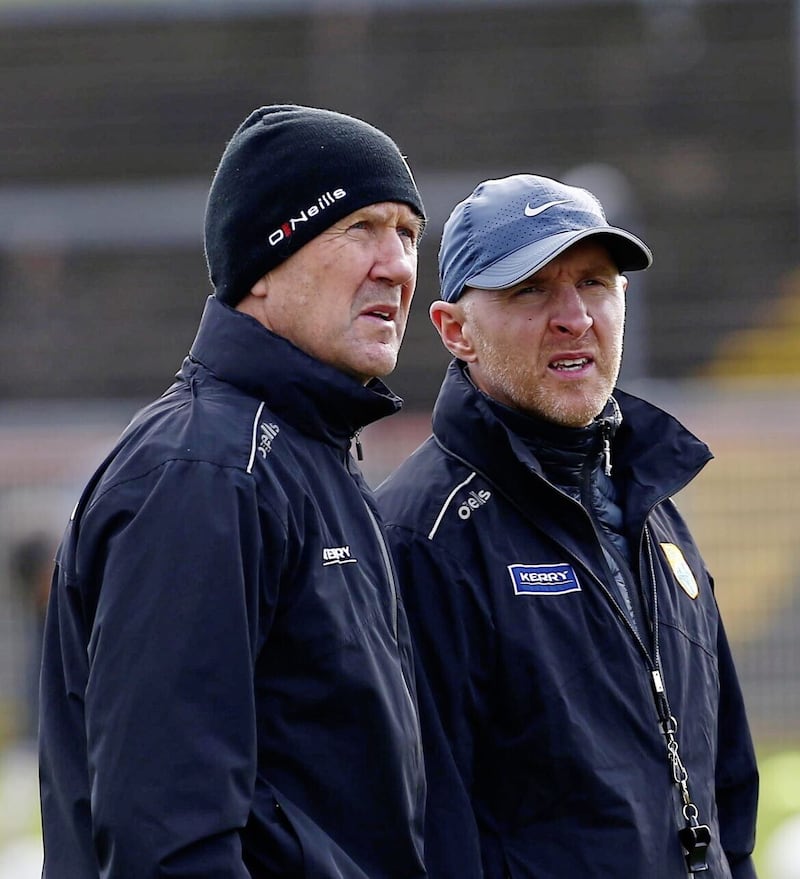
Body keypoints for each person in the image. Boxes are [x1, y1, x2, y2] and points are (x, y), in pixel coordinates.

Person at [38, 104, 427, 879]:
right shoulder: (205, 474)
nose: (398, 265)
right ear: (265, 258)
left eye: (409, 233)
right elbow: (168, 837)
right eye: (361, 228)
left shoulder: (305, 456)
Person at [375, 174, 759, 878]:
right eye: (530, 290)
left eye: (595, 282)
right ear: (455, 329)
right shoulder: (419, 539)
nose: (574, 316)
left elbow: (725, 785)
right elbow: (427, 834)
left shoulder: (656, 506)